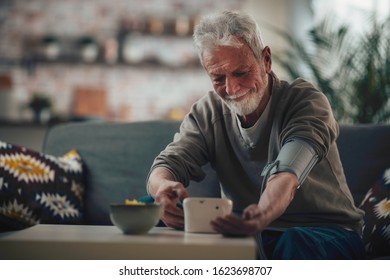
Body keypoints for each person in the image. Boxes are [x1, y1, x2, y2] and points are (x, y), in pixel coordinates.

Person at [146, 11, 365, 259]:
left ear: (266, 60)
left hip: (324, 233)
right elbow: (167, 164)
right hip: (249, 235)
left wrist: (262, 213)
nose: (231, 89)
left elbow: (287, 174)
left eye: (241, 73)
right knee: (158, 219)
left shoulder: (305, 102)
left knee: (293, 241)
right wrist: (161, 188)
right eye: (218, 78)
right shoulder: (207, 112)